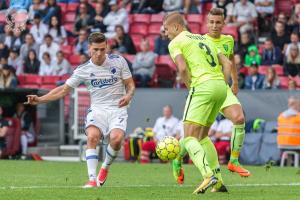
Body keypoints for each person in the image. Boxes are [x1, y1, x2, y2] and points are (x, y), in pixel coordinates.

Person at [25, 32, 135, 188]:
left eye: (102, 49)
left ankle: (105, 167)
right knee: (92, 137)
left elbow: (130, 84)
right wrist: (40, 99)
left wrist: (129, 95)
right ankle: (91, 179)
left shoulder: (118, 61)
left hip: (118, 108)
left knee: (116, 140)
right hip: (97, 109)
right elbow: (63, 90)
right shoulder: (83, 69)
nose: (99, 53)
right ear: (89, 48)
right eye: (95, 49)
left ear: (106, 47)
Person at [164, 12, 232, 194]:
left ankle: (208, 175)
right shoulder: (205, 39)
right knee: (202, 136)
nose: (166, 34)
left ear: (176, 27)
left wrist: (190, 86)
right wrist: (223, 84)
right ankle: (218, 183)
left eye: (167, 29)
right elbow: (227, 63)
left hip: (202, 86)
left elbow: (182, 67)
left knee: (188, 137)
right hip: (219, 86)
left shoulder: (176, 42)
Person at [203, 8, 250, 179]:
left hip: (223, 89)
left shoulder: (228, 40)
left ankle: (234, 161)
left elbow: (231, 61)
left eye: (218, 22)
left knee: (239, 118)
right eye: (211, 22)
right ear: (207, 23)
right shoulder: (200, 42)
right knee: (197, 134)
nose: (214, 25)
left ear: (223, 24)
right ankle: (177, 158)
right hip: (206, 91)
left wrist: (235, 82)